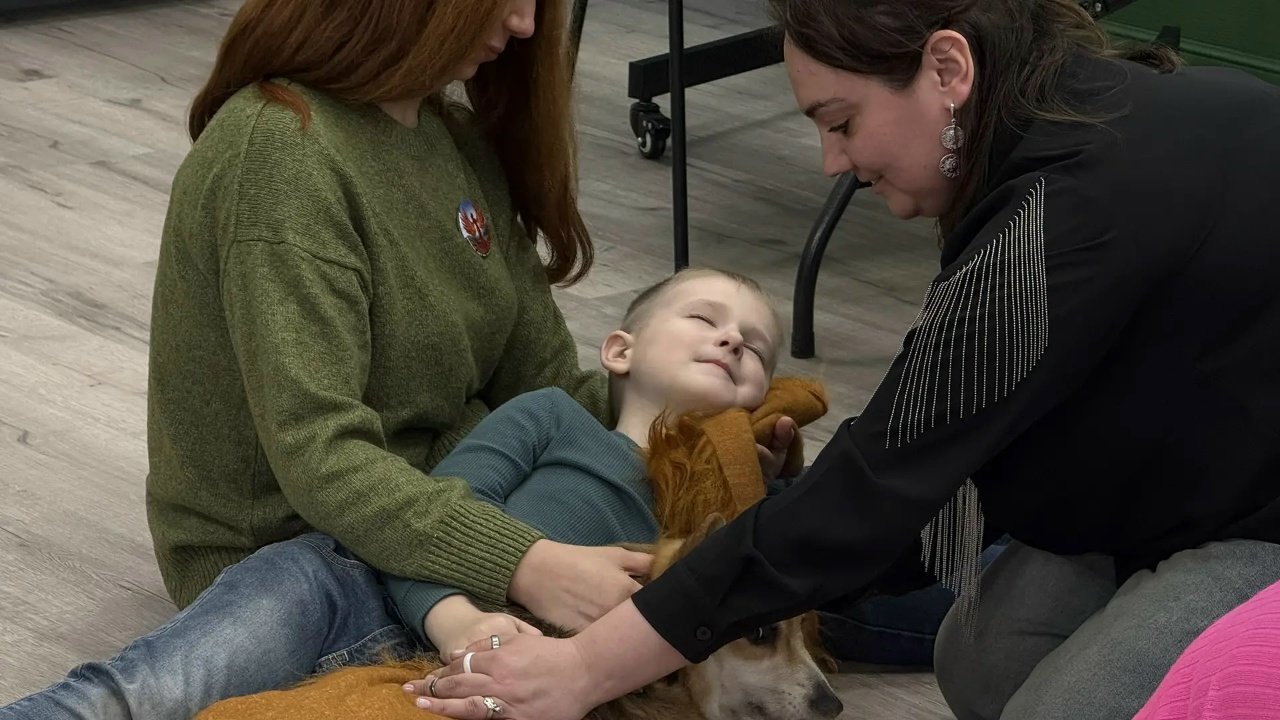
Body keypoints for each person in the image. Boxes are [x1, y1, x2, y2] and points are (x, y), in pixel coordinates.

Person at [414, 1, 1280, 719]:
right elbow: (920, 467)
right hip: (1204, 464)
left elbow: (881, 485)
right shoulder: (1069, 125)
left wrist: (585, 669)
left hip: (1256, 521)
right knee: (980, 655)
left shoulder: (1069, 218)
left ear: (948, 70)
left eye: (842, 122)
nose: (837, 163)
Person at [0, 0, 716, 717]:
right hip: (304, 547)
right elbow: (322, 457)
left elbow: (545, 381)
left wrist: (705, 412)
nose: (528, 25)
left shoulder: (453, 138)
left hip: (447, 512)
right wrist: (525, 563)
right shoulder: (281, 150)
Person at [194, 266, 809, 719]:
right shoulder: (551, 417)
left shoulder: (702, 521)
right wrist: (455, 618)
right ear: (620, 351)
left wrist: (766, 479)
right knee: (160, 688)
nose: (732, 341)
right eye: (705, 319)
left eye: (755, 348)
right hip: (350, 585)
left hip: (477, 677)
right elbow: (432, 522)